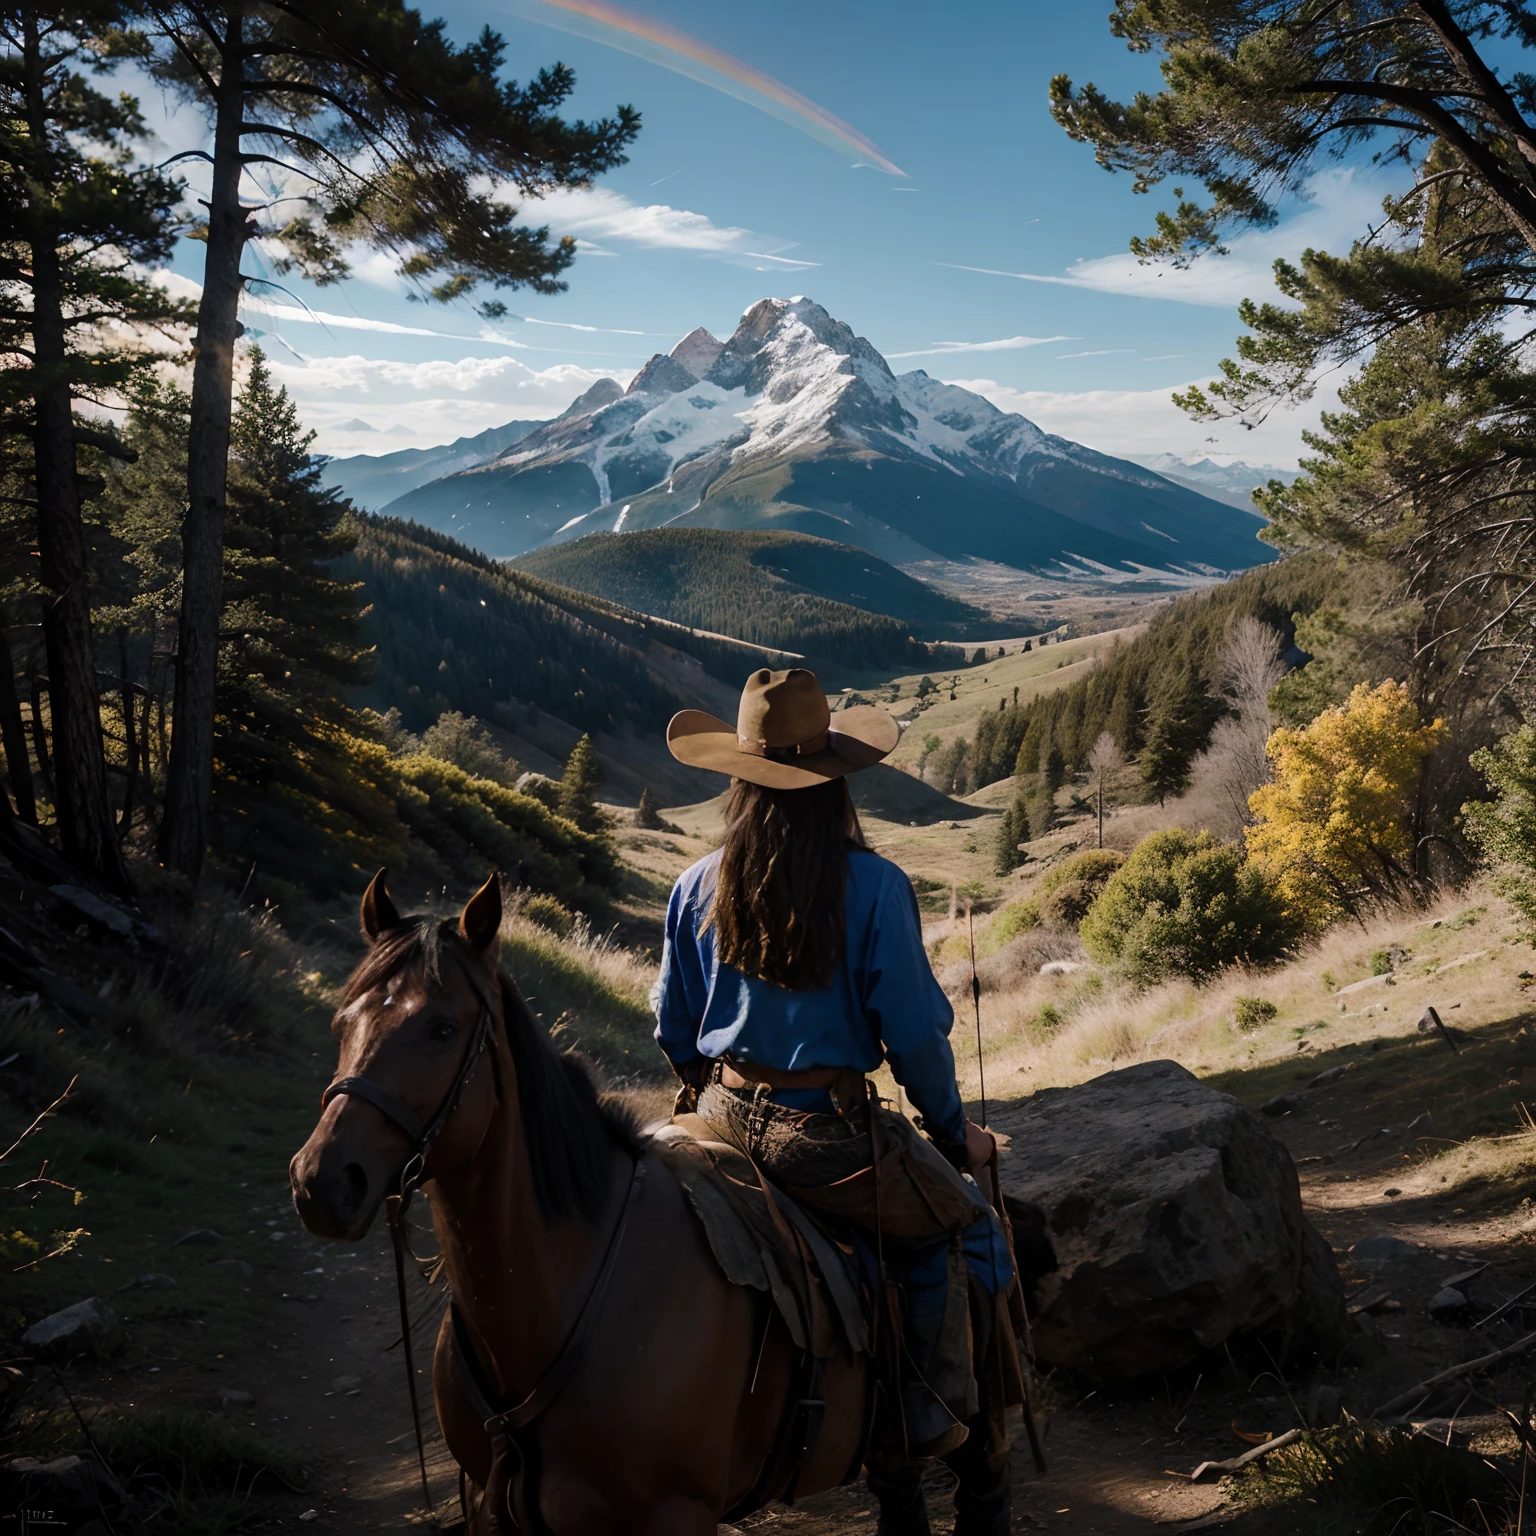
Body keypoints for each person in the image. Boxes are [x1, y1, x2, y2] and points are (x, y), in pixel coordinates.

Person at [653, 667, 1016, 1536]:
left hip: (721, 1118)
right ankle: (932, 1414)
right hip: (823, 1136)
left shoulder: (697, 882)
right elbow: (917, 1036)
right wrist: (946, 1127)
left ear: (739, 774)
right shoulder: (876, 885)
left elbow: (672, 1024)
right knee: (965, 1230)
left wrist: (707, 1083)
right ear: (835, 780)